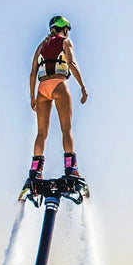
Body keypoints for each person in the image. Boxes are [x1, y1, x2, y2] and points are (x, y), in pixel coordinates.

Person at [27, 15, 88, 184]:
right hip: (59, 84)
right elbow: (72, 64)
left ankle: (35, 171)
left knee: (41, 133)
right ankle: (71, 168)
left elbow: (33, 72)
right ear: (65, 29)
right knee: (66, 129)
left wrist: (32, 96)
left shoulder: (42, 45)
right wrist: (83, 87)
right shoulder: (65, 42)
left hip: (42, 89)